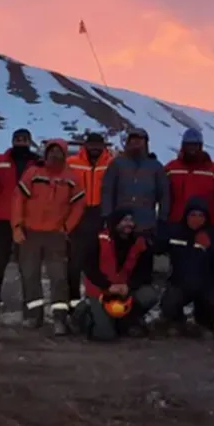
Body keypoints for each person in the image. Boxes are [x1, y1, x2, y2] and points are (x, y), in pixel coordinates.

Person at [11, 138, 86, 335]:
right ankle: (33, 316)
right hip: (30, 233)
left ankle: (60, 319)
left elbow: (79, 205)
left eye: (59, 152)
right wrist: (17, 226)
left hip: (56, 236)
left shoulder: (72, 177)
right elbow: (18, 199)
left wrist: (66, 227)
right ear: (45, 153)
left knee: (58, 277)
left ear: (64, 154)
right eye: (51, 151)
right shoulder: (33, 173)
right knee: (30, 275)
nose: (55, 155)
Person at [72, 209, 160, 341]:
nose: (129, 224)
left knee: (149, 295)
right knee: (106, 335)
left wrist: (129, 286)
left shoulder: (140, 243)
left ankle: (128, 320)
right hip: (100, 291)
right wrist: (107, 286)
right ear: (115, 222)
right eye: (124, 220)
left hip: (124, 291)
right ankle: (86, 312)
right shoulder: (98, 239)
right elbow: (89, 267)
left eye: (131, 220)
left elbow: (145, 272)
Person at [100, 127, 169, 288]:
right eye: (133, 140)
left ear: (146, 143)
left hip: (146, 225)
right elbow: (107, 190)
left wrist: (163, 218)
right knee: (119, 263)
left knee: (143, 267)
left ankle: (141, 300)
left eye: (140, 140)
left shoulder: (155, 167)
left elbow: (164, 194)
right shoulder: (117, 164)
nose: (136, 144)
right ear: (127, 143)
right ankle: (117, 296)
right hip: (121, 226)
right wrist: (107, 216)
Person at [0, 128, 38, 315]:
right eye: (18, 139)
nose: (21, 142)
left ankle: (30, 303)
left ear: (30, 141)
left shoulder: (38, 163)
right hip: (4, 218)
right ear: (12, 140)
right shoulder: (0, 161)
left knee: (28, 264)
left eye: (24, 139)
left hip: (29, 220)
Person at [158, 197, 214, 337]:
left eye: (200, 215)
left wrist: (210, 248)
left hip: (207, 285)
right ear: (186, 216)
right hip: (180, 283)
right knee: (169, 301)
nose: (196, 219)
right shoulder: (176, 231)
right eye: (193, 215)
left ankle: (203, 323)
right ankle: (177, 321)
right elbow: (158, 247)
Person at [66, 132, 113, 309]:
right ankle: (73, 302)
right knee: (74, 262)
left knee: (98, 261)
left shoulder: (111, 163)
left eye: (98, 145)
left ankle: (97, 301)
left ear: (103, 147)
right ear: (85, 146)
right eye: (91, 145)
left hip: (101, 215)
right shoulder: (71, 163)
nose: (95, 148)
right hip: (78, 214)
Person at [164, 128, 214, 226]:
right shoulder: (171, 168)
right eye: (189, 145)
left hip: (204, 226)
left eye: (195, 145)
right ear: (183, 146)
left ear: (201, 146)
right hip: (175, 223)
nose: (192, 149)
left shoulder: (213, 170)